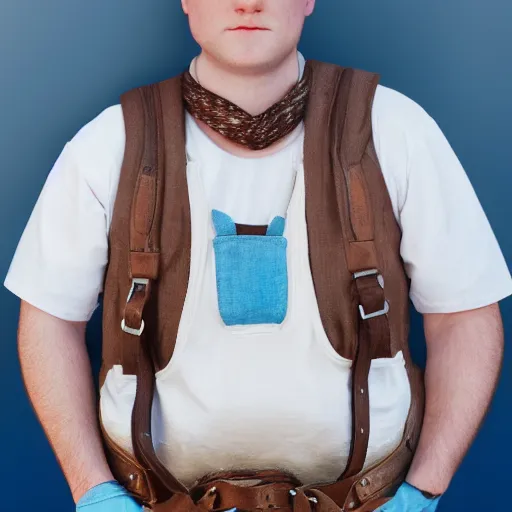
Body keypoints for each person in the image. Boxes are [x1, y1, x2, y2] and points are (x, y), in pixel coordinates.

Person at [4, 1, 512, 511]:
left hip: (365, 501)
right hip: (156, 500)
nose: (248, 2)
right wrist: (94, 493)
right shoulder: (110, 145)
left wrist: (422, 491)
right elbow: (50, 322)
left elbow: (464, 316)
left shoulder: (397, 132)